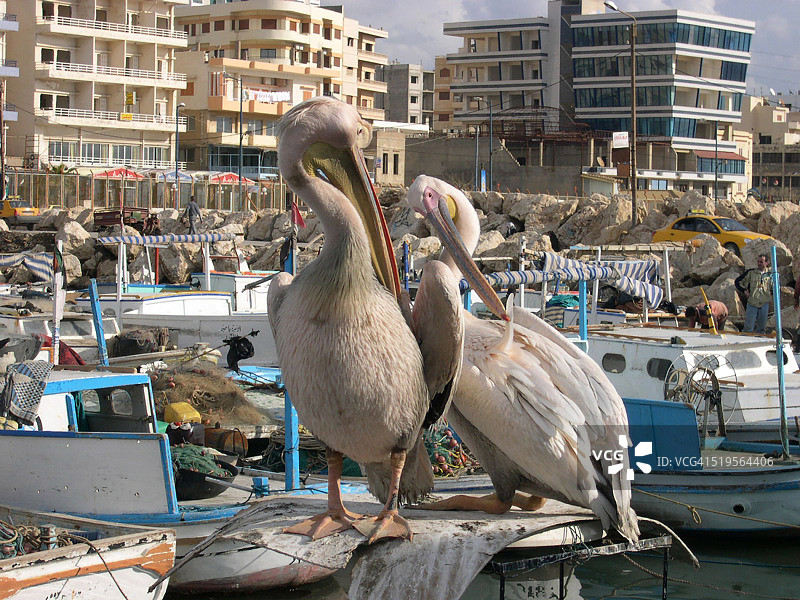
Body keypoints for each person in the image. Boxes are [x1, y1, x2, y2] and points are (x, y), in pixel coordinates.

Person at [739, 254, 773, 334]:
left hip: (764, 303)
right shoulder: (751, 272)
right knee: (748, 327)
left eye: (761, 262)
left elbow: (775, 287)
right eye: (758, 261)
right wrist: (744, 290)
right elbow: (738, 282)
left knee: (761, 328)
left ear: (766, 263)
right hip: (752, 302)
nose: (759, 263)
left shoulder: (770, 274)